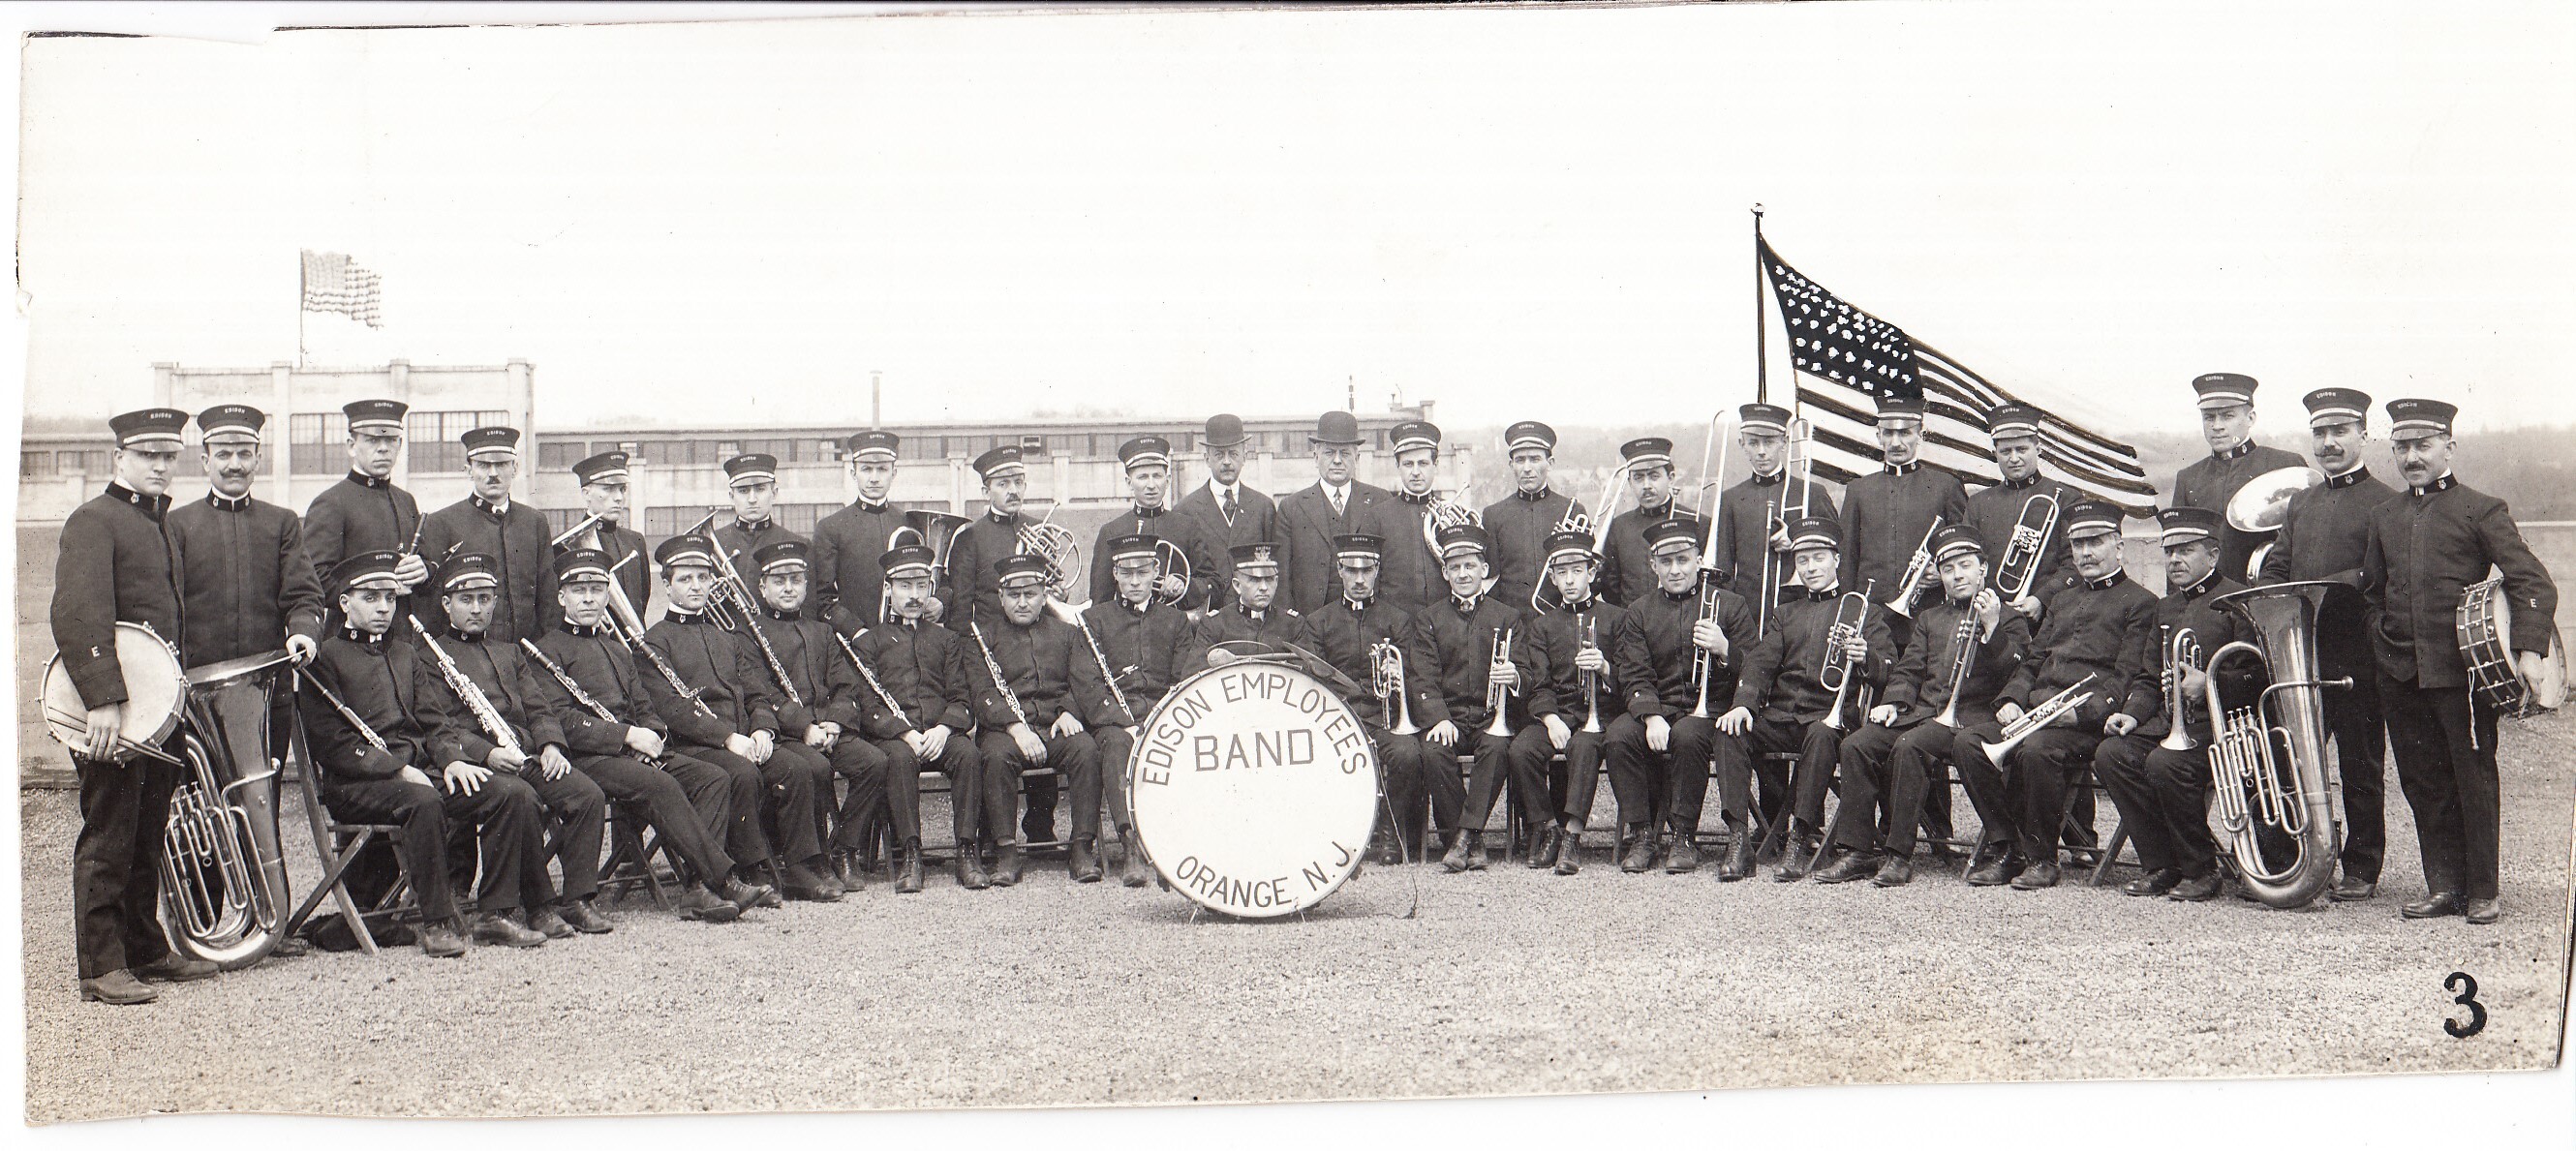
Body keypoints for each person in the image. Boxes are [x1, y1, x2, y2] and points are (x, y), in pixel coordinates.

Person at [2363, 398, 2558, 924]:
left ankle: (2482, 891)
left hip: (2463, 677)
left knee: (2472, 779)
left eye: (2422, 446)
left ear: (2448, 446)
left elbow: (2531, 582)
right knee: (2421, 781)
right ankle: (2443, 886)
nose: (2410, 457)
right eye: (2401, 447)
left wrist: (2530, 650)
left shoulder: (2481, 508)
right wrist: (2381, 640)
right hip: (2401, 674)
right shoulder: (2384, 515)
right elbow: (2371, 593)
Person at [301, 550, 551, 958]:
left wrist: (452, 759)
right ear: (344, 603)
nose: (384, 607)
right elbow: (333, 745)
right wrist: (398, 771)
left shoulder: (405, 653)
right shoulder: (326, 658)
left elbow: (436, 723)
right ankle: (437, 922)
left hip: (418, 775)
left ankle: (496, 912)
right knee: (425, 799)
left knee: (510, 792)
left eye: (390, 597)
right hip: (358, 783)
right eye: (370, 598)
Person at [52, 408, 217, 1002]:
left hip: (157, 708)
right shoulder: (94, 520)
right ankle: (100, 968)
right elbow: (77, 614)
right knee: (111, 831)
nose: (160, 466)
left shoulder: (159, 524)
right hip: (115, 714)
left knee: (149, 829)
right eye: (148, 455)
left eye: (169, 456)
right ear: (118, 458)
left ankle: (144, 950)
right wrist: (103, 702)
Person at [525, 548, 766, 923]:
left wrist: (650, 736)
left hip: (634, 753)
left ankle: (698, 889)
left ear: (607, 595)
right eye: (578, 590)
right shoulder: (547, 650)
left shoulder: (617, 650)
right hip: (590, 756)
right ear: (561, 598)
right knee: (661, 786)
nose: (589, 598)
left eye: (596, 590)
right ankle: (721, 878)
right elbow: (562, 719)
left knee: (714, 777)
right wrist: (625, 737)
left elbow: (645, 706)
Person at [412, 552, 613, 939]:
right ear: (446, 605)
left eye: (484, 600)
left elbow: (539, 708)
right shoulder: (427, 657)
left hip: (522, 754)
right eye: (465, 600)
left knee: (586, 794)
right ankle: (516, 909)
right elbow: (439, 723)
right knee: (519, 797)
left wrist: (552, 745)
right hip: (473, 763)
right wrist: (486, 753)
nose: (476, 609)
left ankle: (576, 899)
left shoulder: (509, 651)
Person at [1824, 525, 2029, 887]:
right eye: (1948, 569)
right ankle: (1858, 851)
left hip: (1974, 719)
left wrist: (1992, 626)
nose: (1957, 575)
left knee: (1909, 746)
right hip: (1924, 715)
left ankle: (1899, 855)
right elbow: (1909, 671)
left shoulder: (2009, 616)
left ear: (1983, 568)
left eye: (1965, 566)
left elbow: (2015, 669)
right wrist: (1892, 703)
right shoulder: (1930, 619)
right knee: (1857, 744)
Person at [639, 533, 841, 902]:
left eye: (703, 577)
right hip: (696, 746)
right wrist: (729, 739)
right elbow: (674, 710)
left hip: (744, 738)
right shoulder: (655, 642)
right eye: (685, 579)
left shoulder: (727, 637)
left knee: (795, 767)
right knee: (743, 773)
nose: (697, 586)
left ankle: (798, 867)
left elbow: (756, 692)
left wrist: (763, 727)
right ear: (667, 586)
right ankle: (751, 868)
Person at [1967, 504, 2159, 891]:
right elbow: (2035, 660)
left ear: (2119, 548)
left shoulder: (2141, 602)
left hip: (2083, 723)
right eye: (2078, 544)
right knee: (1969, 742)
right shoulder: (2062, 600)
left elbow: (2125, 676)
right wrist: (2014, 699)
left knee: (2037, 750)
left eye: (2096, 543)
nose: (2086, 553)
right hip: (2040, 714)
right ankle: (2008, 847)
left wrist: (2081, 715)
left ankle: (2042, 859)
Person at [2257, 387, 2400, 900]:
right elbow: (2281, 561)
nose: (2329, 442)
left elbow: (2378, 573)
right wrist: (2269, 589)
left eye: (2340, 432)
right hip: (2300, 653)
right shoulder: (2302, 502)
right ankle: (2297, 858)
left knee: (2359, 764)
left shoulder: (2385, 501)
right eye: (2320, 433)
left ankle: (2362, 866)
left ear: (2364, 434)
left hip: (2353, 653)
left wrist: (2330, 585)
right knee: (2292, 758)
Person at [2091, 506, 2256, 902]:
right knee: (2112, 754)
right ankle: (2161, 864)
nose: (2174, 560)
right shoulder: (2166, 608)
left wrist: (2211, 682)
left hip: (2222, 726)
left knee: (2165, 763)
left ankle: (2201, 869)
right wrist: (2130, 716)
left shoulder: (2238, 600)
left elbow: (2259, 675)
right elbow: (2150, 677)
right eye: (2169, 552)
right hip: (2170, 723)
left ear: (2213, 556)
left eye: (2186, 551)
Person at [1715, 517, 1890, 882]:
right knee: (1729, 730)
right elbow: (1761, 662)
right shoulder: (1786, 613)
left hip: (1829, 718)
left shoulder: (1864, 610)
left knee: (1822, 735)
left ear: (1837, 560)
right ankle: (1738, 839)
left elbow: (1888, 668)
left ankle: (1801, 833)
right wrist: (1744, 703)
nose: (1811, 568)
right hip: (1783, 718)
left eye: (1819, 558)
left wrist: (1866, 656)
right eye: (1803, 560)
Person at [164, 404, 325, 771]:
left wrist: (303, 632)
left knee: (263, 809)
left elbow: (304, 594)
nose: (234, 464)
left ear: (258, 459)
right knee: (203, 801)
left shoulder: (282, 523)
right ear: (205, 461)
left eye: (244, 454)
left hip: (267, 695)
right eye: (223, 454)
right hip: (195, 695)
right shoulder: (177, 525)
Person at [1603, 518, 1757, 874]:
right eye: (1666, 562)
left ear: (1699, 560)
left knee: (1688, 735)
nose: (1675, 570)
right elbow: (1633, 671)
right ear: (1653, 565)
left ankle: (1684, 836)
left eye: (1683, 560)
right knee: (1619, 735)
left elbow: (1757, 666)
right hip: (1660, 706)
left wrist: (1724, 649)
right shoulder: (1639, 611)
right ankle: (1642, 834)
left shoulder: (1730, 605)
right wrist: (1650, 715)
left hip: (1712, 710)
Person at [849, 543, 1003, 892]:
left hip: (940, 733)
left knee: (968, 754)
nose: (914, 595)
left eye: (921, 586)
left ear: (930, 590)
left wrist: (945, 728)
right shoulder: (869, 642)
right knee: (899, 760)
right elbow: (867, 703)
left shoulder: (948, 640)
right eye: (904, 586)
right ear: (888, 590)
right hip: (896, 738)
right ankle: (910, 854)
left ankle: (967, 851)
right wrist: (903, 733)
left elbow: (962, 695)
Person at [747, 539, 888, 888]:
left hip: (828, 729)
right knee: (817, 767)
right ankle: (814, 859)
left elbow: (845, 685)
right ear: (763, 588)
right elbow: (759, 692)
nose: (789, 588)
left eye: (796, 579)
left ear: (807, 585)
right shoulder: (749, 634)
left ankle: (843, 848)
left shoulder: (823, 632)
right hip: (789, 735)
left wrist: (836, 722)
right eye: (779, 581)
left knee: (874, 762)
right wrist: (806, 727)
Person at [1305, 532, 1449, 865]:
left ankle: (1392, 832)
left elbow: (1412, 674)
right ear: (1339, 571)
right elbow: (1317, 678)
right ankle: (1336, 834)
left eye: (1366, 571)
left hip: (1383, 717)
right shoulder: (1319, 622)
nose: (1359, 579)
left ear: (1377, 571)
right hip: (1336, 718)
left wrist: (1393, 675)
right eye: (1352, 571)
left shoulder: (1397, 620)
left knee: (1408, 754)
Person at [1404, 525, 1539, 872]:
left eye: (1470, 566)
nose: (1463, 574)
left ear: (1484, 570)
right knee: (1433, 752)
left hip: (1489, 716)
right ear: (1445, 573)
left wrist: (1515, 677)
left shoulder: (1507, 617)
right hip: (1448, 717)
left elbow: (1526, 672)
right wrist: (1439, 718)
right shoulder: (1429, 619)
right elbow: (1423, 676)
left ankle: (1461, 838)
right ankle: (1470, 841)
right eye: (1455, 567)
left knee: (1496, 749)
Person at [967, 555, 1109, 884]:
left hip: (1054, 723)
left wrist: (1069, 711)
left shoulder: (1068, 633)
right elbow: (982, 691)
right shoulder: (981, 637)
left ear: (1045, 595)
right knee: (995, 756)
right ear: (1000, 597)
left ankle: (1082, 848)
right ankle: (1006, 853)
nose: (1021, 603)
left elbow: (1084, 680)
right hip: (1006, 728)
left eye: (1030, 594)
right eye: (1013, 595)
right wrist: (1017, 729)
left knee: (1086, 750)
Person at [1081, 534, 1200, 884]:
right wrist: (1125, 722)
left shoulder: (1176, 622)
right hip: (1116, 722)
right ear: (1114, 574)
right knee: (1118, 746)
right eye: (1126, 573)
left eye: (1142, 572)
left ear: (1156, 572)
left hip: (1163, 717)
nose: (1135, 581)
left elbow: (1184, 678)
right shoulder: (1094, 620)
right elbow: (1087, 683)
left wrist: (1160, 720)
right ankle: (1131, 844)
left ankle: (1180, 842)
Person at [1509, 530, 1628, 875]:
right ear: (1553, 578)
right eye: (1561, 572)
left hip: (1600, 714)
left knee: (1585, 747)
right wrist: (1549, 718)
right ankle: (1549, 829)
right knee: (1521, 750)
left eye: (1577, 570)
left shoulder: (1616, 618)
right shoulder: (1542, 626)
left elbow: (1630, 677)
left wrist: (1605, 667)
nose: (1569, 579)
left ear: (1592, 573)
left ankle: (1573, 836)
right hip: (1558, 714)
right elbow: (1539, 682)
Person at [1837, 392, 1968, 643]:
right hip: (1871, 616)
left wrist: (1943, 572)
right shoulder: (1858, 489)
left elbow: (1964, 548)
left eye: (1905, 433)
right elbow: (1847, 559)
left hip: (1929, 613)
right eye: (1888, 433)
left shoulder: (1946, 486)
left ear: (1921, 435)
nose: (1896, 442)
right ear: (1878, 436)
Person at [415, 427, 557, 642]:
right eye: (483, 465)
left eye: (501, 464)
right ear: (469, 470)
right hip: (469, 658)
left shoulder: (534, 522)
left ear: (515, 468)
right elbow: (433, 605)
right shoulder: (441, 523)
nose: (493, 473)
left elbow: (548, 597)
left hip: (528, 658)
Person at [2170, 373, 2307, 582]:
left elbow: (2305, 544)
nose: (2217, 426)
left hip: (2268, 596)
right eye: (2209, 417)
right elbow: (2178, 550)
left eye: (2227, 416)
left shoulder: (2285, 465)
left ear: (2250, 418)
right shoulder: (2189, 478)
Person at [1713, 404, 1838, 623]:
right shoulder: (1731, 499)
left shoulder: (1813, 493)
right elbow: (1724, 566)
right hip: (1749, 615)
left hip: (1805, 611)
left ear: (1785, 443)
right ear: (1742, 444)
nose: (1761, 451)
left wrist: (1798, 541)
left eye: (1769, 442)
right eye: (1753, 442)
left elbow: (1838, 551)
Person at [301, 399, 429, 606]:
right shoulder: (331, 502)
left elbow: (424, 562)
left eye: (391, 440)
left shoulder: (405, 500)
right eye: (372, 440)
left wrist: (424, 570)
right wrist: (371, 596)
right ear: (352, 446)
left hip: (404, 632)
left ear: (400, 444)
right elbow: (314, 579)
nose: (383, 449)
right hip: (352, 634)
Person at [1962, 403, 2080, 622]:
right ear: (1994, 453)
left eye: (2022, 449)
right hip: (1992, 617)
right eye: (2005, 451)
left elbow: (2073, 562)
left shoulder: (2065, 497)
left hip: (2048, 615)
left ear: (2038, 448)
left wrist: (2042, 599)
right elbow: (1970, 562)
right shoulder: (1978, 503)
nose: (2014, 458)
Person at [1277, 411, 1402, 615]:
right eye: (1329, 453)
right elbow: (1282, 575)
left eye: (1344, 453)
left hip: (1367, 619)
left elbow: (1391, 570)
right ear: (1315, 457)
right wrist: (1290, 621)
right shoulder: (1291, 507)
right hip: (1308, 620)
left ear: (1357, 458)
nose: (1337, 460)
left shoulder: (1381, 500)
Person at [1086, 436, 1214, 612]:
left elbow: (1211, 581)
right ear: (1129, 483)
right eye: (1143, 477)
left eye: (1157, 476)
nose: (1151, 485)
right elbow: (1101, 599)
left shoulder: (1188, 527)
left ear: (1167, 481)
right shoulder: (1111, 532)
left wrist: (1185, 584)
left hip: (1177, 626)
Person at [1172, 413, 1278, 612]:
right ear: (1207, 459)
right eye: (1219, 455)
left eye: (1234, 454)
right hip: (1207, 621)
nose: (1227, 462)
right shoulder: (1185, 511)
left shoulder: (1263, 507)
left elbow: (1274, 568)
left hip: (1254, 617)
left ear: (1245, 456)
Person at [1478, 421, 1585, 615]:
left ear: (1550, 463)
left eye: (1535, 459)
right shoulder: (1493, 515)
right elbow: (1490, 580)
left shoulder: (1572, 510)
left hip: (1562, 624)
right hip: (1514, 626)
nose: (1527, 468)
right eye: (1520, 460)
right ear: (1511, 465)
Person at [810, 430, 909, 633]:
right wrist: (855, 631)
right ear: (854, 473)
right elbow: (821, 597)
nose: (874, 478)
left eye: (882, 469)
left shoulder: (909, 523)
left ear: (894, 473)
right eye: (866, 469)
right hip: (854, 641)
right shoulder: (831, 527)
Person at [942, 444, 1042, 634]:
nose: (1013, 490)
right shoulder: (969, 538)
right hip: (992, 644)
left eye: (1018, 482)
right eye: (1003, 484)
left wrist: (1061, 593)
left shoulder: (1040, 529)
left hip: (1038, 645)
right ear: (986, 492)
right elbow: (960, 613)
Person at [1600, 435, 1707, 608]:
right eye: (1638, 478)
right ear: (1629, 482)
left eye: (1654, 476)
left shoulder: (1698, 522)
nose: (1646, 485)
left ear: (1671, 478)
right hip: (1633, 627)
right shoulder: (1619, 527)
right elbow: (1610, 588)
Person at [561, 450, 652, 622]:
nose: (618, 498)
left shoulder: (635, 541)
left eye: (622, 489)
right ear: (586, 494)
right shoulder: (565, 547)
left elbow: (642, 601)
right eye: (608, 489)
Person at [1190, 541, 1315, 665]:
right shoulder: (1214, 625)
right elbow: (1194, 679)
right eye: (1255, 580)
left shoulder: (1293, 624)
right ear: (1237, 585)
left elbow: (1309, 677)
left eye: (1270, 579)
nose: (1264, 587)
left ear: (1277, 581)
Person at [711, 452, 806, 606]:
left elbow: (807, 612)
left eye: (760, 489)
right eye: (743, 491)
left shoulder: (798, 544)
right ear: (731, 496)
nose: (752, 499)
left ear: (774, 493)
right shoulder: (714, 543)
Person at [1377, 419, 1448, 614]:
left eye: (1423, 463)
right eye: (1408, 464)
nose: (1416, 472)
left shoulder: (1451, 513)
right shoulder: (1378, 517)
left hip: (1445, 624)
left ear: (1436, 464)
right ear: (1398, 466)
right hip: (1395, 625)